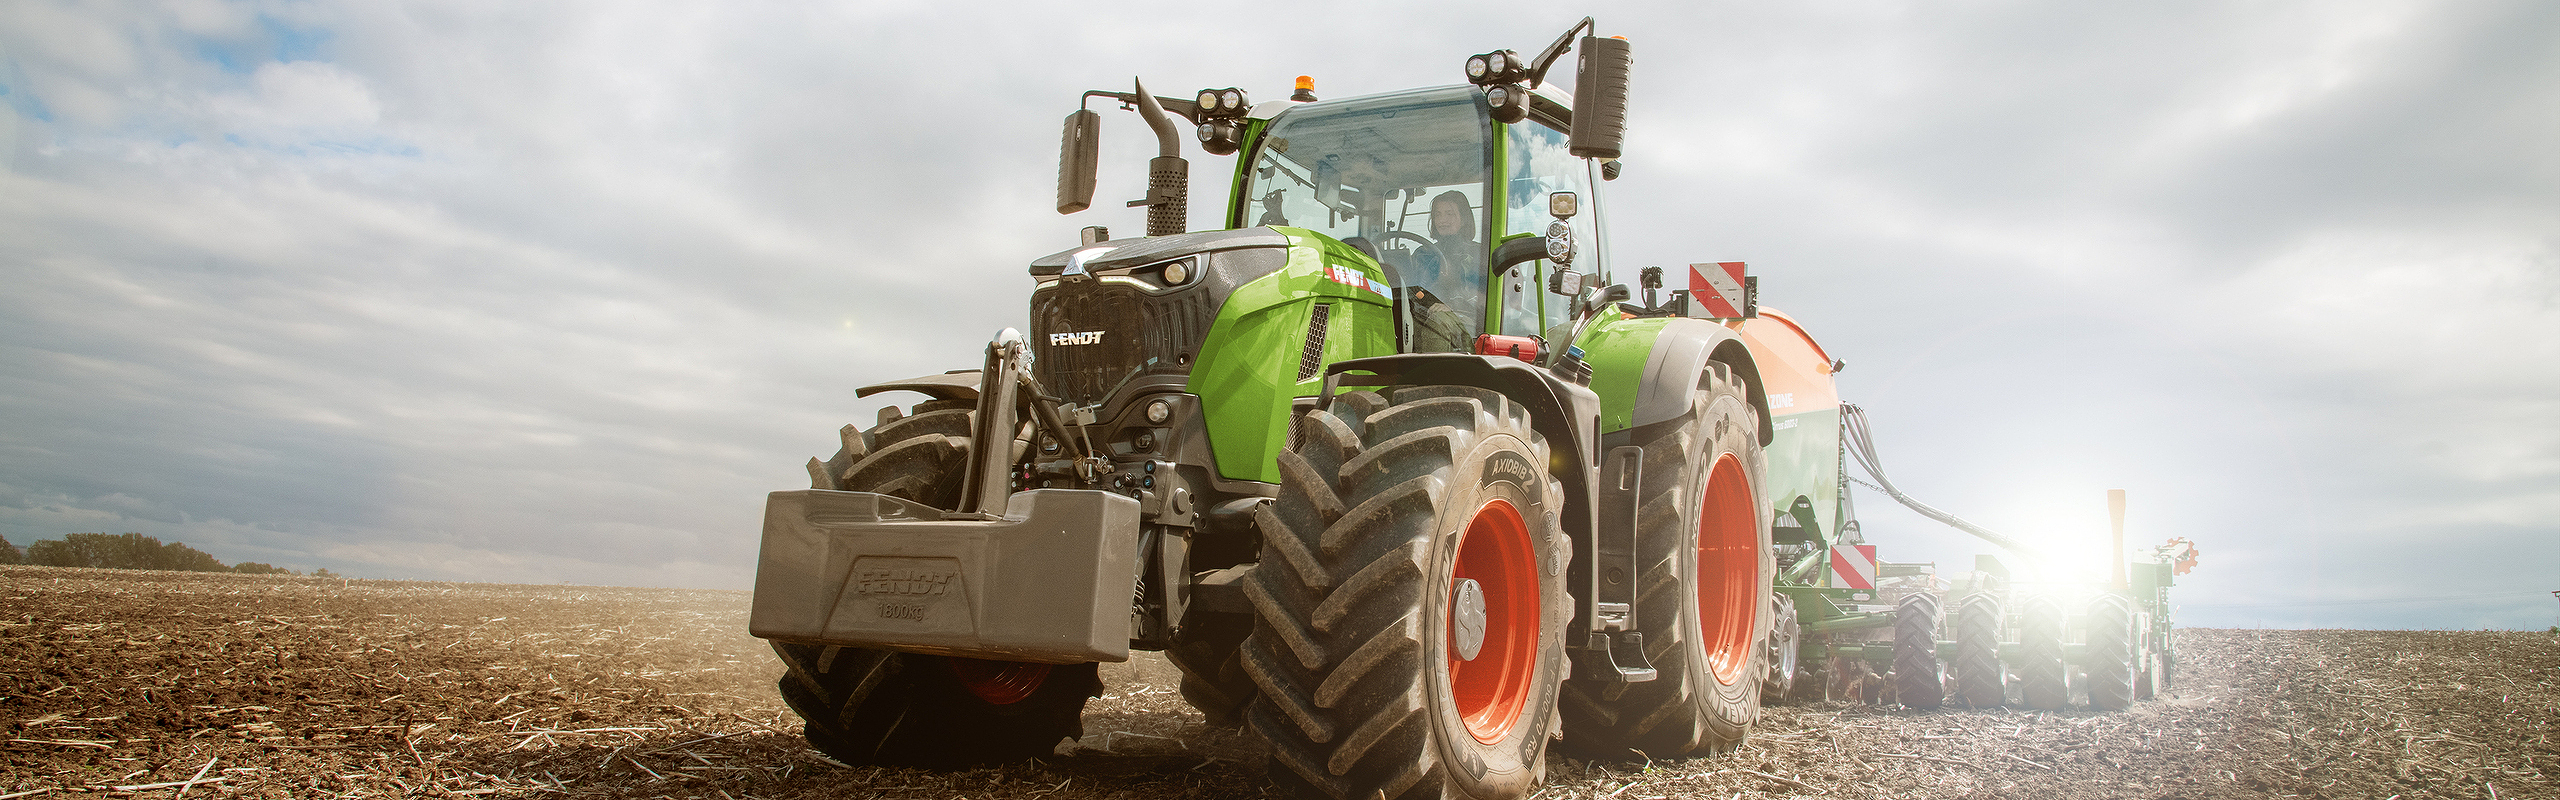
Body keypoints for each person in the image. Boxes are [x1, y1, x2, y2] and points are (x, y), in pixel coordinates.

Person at [1407, 191, 1484, 352]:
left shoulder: (1479, 254)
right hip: (1424, 315)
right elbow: (1412, 290)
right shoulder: (1422, 254)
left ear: (1464, 219)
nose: (1442, 220)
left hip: (1468, 320)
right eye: (1438, 215)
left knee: (1438, 322)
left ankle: (1432, 375)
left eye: (1449, 214)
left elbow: (1485, 296)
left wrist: (1454, 305)